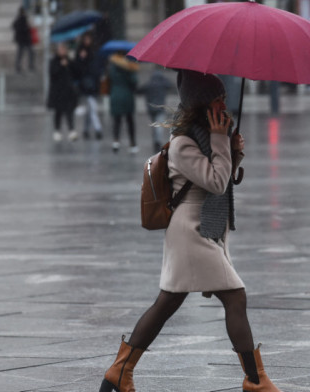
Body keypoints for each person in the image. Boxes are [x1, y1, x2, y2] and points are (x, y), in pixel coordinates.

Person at [98, 69, 282, 392]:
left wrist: (231, 150)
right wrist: (222, 143)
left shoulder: (203, 135)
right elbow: (215, 181)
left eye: (224, 97)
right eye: (217, 97)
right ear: (201, 103)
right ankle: (256, 380)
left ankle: (120, 370)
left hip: (201, 231)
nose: (224, 103)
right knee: (234, 298)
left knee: (166, 304)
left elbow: (219, 177)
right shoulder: (183, 144)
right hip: (190, 233)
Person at [46, 43, 78, 142]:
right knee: (58, 112)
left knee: (69, 112)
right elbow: (52, 73)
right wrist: (61, 65)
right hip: (58, 91)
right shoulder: (54, 61)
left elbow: (76, 72)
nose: (63, 51)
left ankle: (71, 130)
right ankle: (57, 131)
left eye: (64, 49)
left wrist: (71, 62)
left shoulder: (69, 60)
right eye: (61, 49)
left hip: (68, 91)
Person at [108, 51, 139, 153]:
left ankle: (116, 141)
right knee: (129, 120)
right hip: (127, 96)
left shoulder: (112, 67)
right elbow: (134, 82)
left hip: (115, 95)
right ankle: (132, 143)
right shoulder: (129, 68)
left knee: (117, 120)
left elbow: (108, 81)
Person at [137, 69, 174, 152]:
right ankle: (157, 140)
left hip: (151, 109)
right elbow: (171, 85)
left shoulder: (149, 84)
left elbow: (139, 90)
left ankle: (156, 140)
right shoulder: (163, 83)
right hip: (160, 108)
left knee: (154, 125)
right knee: (159, 125)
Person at [75, 33, 103, 140]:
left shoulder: (93, 52)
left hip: (93, 83)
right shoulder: (81, 52)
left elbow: (96, 67)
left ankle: (86, 130)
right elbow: (78, 69)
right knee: (92, 108)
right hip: (86, 84)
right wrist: (81, 59)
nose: (87, 41)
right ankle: (98, 129)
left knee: (89, 109)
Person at [11, 7, 35, 73]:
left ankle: (20, 66)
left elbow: (14, 26)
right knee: (27, 53)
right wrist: (26, 28)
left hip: (23, 40)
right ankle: (28, 66)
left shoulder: (19, 19)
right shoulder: (22, 19)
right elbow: (20, 28)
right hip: (24, 40)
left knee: (22, 54)